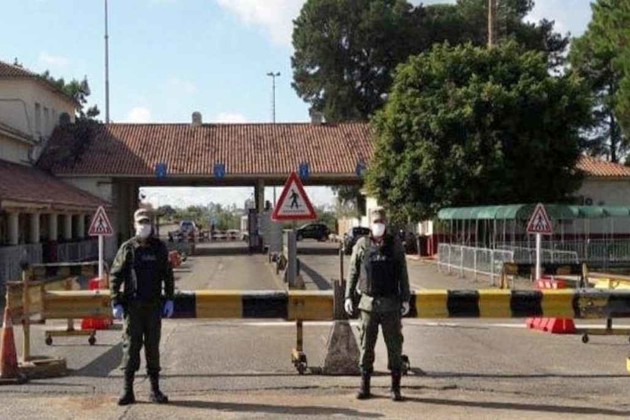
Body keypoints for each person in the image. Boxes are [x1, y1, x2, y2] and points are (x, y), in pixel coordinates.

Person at [344, 207, 410, 401]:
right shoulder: (362, 245)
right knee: (366, 347)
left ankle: (395, 388)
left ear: (385, 223)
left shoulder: (395, 245)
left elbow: (403, 273)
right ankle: (364, 386)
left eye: (381, 222)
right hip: (368, 305)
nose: (378, 225)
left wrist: (405, 298)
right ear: (370, 224)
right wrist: (348, 296)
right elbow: (353, 271)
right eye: (375, 222)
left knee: (394, 347)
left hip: (391, 305)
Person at [110, 208, 175, 406]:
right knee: (131, 346)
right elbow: (115, 275)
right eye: (141, 222)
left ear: (151, 225)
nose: (144, 226)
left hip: (153, 306)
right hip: (133, 307)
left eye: (147, 222)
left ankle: (155, 390)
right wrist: (115, 301)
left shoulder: (159, 248)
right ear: (134, 224)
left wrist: (169, 298)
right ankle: (127, 391)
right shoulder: (127, 248)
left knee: (152, 348)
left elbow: (167, 274)